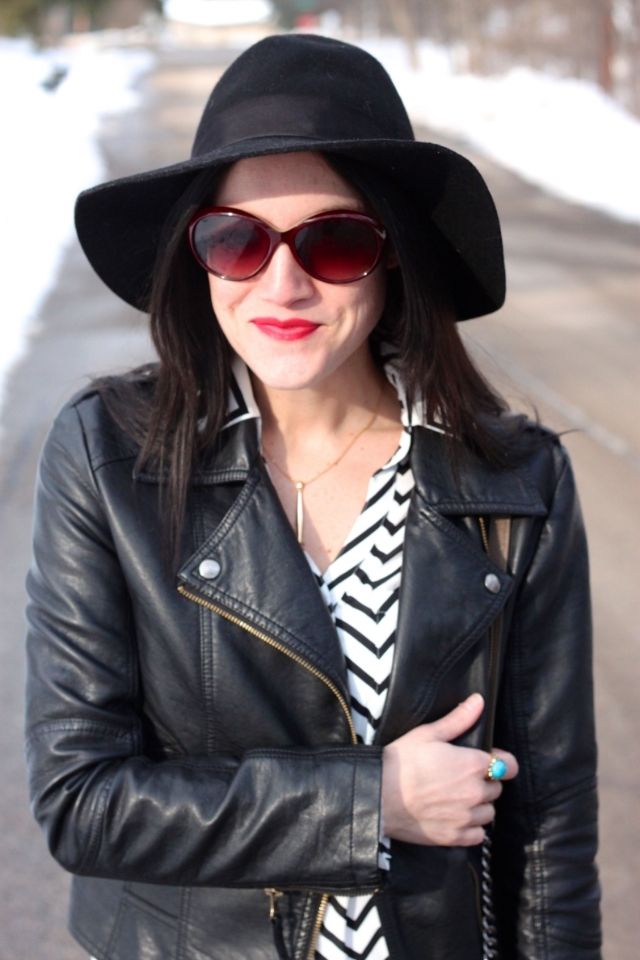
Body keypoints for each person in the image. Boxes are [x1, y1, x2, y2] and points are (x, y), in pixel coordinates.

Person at [25, 33, 601, 960]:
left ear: (394, 251)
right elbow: (81, 802)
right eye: (236, 239)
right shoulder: (109, 458)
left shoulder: (516, 482)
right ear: (196, 254)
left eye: (335, 240)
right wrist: (373, 800)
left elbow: (551, 827)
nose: (282, 284)